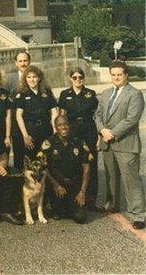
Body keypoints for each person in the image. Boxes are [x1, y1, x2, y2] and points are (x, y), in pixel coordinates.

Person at [96, 61, 145, 229]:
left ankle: (138, 214)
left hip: (125, 144)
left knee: (131, 180)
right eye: (114, 74)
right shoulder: (105, 93)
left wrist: (112, 133)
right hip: (107, 143)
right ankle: (113, 204)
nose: (116, 77)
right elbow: (98, 114)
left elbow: (132, 119)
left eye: (119, 74)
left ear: (126, 75)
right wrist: (102, 130)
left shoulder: (135, 94)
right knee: (111, 177)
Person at [58, 67, 99, 210]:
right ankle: (74, 196)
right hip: (73, 132)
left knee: (91, 163)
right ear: (70, 78)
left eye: (80, 77)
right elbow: (62, 116)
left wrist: (99, 136)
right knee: (74, 163)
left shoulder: (90, 94)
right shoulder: (65, 94)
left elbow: (96, 114)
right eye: (74, 77)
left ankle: (91, 199)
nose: (78, 80)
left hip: (88, 131)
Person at [39, 115, 91, 224]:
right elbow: (43, 167)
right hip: (56, 185)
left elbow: (86, 167)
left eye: (66, 124)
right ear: (55, 127)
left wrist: (82, 191)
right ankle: (57, 206)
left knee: (80, 217)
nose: (63, 127)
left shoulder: (79, 142)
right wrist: (56, 185)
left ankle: (70, 206)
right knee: (58, 214)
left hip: (74, 184)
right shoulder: (49, 143)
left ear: (70, 125)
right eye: (60, 125)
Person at [14, 65, 58, 160]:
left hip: (46, 130)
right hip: (30, 131)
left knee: (47, 159)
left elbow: (54, 112)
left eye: (34, 77)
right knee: (32, 161)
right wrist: (25, 135)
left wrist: (55, 130)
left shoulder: (47, 93)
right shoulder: (22, 94)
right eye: (29, 77)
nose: (32, 80)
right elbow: (18, 116)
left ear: (39, 78)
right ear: (25, 79)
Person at [6, 51, 31, 169]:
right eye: (20, 61)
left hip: (31, 120)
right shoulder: (9, 79)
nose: (23, 63)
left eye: (25, 60)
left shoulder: (35, 76)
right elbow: (6, 99)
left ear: (29, 62)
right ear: (16, 63)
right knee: (18, 154)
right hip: (16, 121)